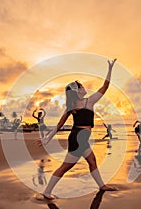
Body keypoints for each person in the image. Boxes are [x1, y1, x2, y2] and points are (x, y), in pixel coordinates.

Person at [37, 58, 118, 200]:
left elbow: (105, 86)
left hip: (82, 138)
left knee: (92, 161)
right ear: (77, 91)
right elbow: (60, 124)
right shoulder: (74, 106)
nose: (83, 87)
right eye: (81, 86)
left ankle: (101, 185)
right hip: (78, 138)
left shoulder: (89, 101)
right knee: (65, 167)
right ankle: (47, 191)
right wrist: (47, 139)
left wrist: (110, 69)